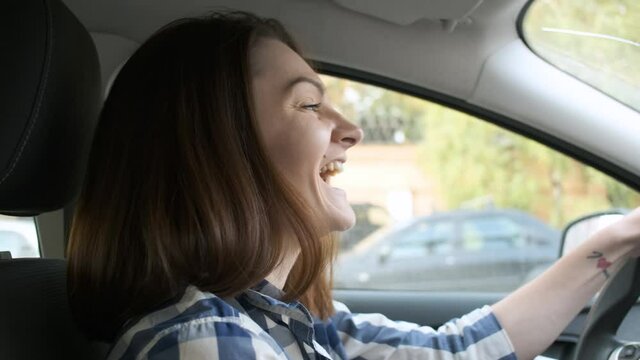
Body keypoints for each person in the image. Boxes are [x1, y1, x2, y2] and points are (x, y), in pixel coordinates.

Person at [66, 12, 640, 360]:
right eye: (310, 104)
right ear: (217, 150)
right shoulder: (206, 343)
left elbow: (457, 352)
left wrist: (619, 237)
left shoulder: (283, 319)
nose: (351, 130)